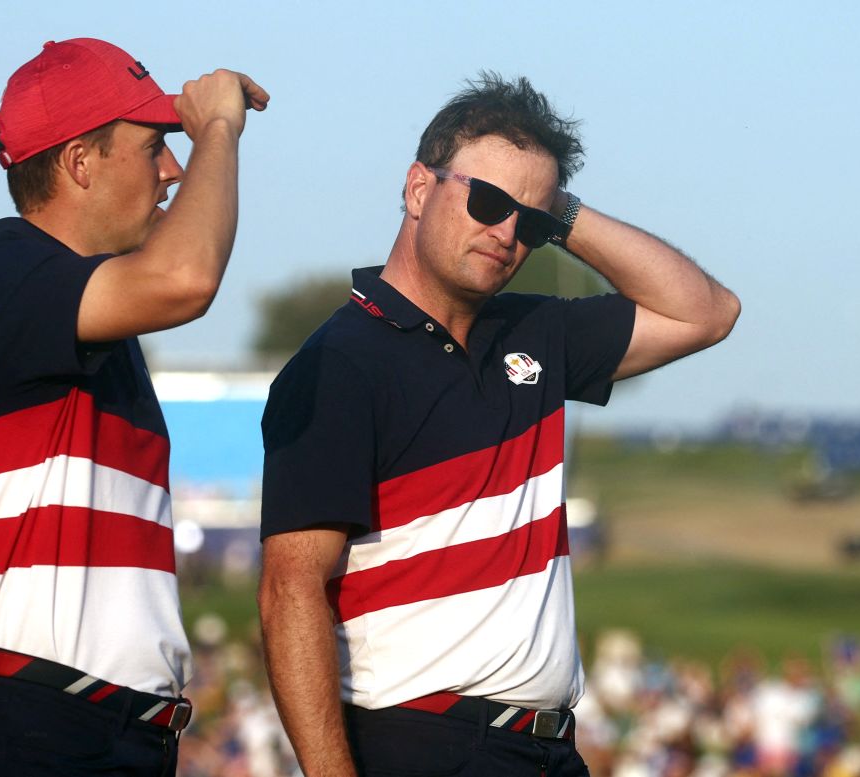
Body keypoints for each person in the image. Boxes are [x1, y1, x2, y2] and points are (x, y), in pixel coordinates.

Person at [258, 73, 740, 777]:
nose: (508, 232)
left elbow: (707, 312)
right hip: (420, 740)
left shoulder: (535, 329)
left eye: (532, 224)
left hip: (547, 748)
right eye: (487, 201)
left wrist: (561, 210)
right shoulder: (339, 362)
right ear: (418, 189)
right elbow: (289, 590)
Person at [0, 37, 267, 776]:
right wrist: (217, 130)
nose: (173, 170)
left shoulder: (85, 318)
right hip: (42, 727)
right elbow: (185, 277)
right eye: (154, 148)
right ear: (80, 163)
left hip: (99, 730)